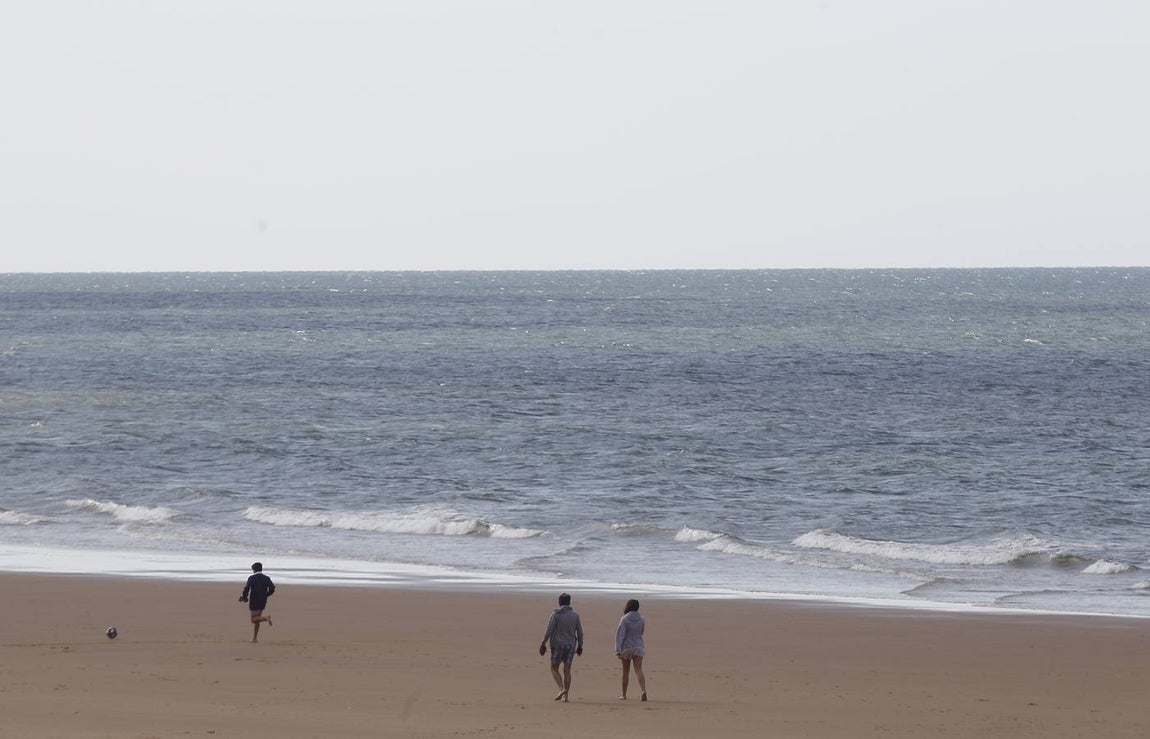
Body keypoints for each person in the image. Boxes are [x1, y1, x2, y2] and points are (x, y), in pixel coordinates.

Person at [538, 592, 583, 702]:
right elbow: (580, 632)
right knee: (567, 670)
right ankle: (565, 696)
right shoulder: (575, 615)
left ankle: (562, 689)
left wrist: (543, 643)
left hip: (558, 644)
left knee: (554, 668)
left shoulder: (556, 614)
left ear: (559, 602)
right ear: (569, 602)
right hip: (571, 645)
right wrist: (580, 645)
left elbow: (549, 630)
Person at [614, 598, 647, 701]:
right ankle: (643, 690)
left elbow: (620, 635)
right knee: (638, 670)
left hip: (626, 647)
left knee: (625, 672)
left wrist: (617, 649)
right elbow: (641, 632)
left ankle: (624, 694)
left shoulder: (624, 619)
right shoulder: (642, 619)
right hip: (638, 646)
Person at [239, 562, 275, 643]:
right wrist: (266, 595)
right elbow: (272, 588)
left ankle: (266, 618)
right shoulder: (266, 578)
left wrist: (244, 597)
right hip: (263, 600)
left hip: (254, 600)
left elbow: (246, 588)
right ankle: (255, 638)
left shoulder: (252, 578)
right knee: (257, 619)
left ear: (254, 569)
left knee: (253, 620)